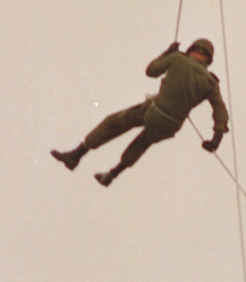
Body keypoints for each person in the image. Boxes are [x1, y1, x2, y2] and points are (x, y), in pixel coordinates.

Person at [51, 37, 228, 187]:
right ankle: (112, 174)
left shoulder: (178, 59)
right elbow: (220, 110)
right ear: (208, 59)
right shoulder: (211, 83)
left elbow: (151, 71)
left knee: (114, 123)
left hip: (154, 110)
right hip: (171, 126)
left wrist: (167, 52)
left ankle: (77, 154)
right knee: (142, 143)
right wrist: (216, 137)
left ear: (191, 50)